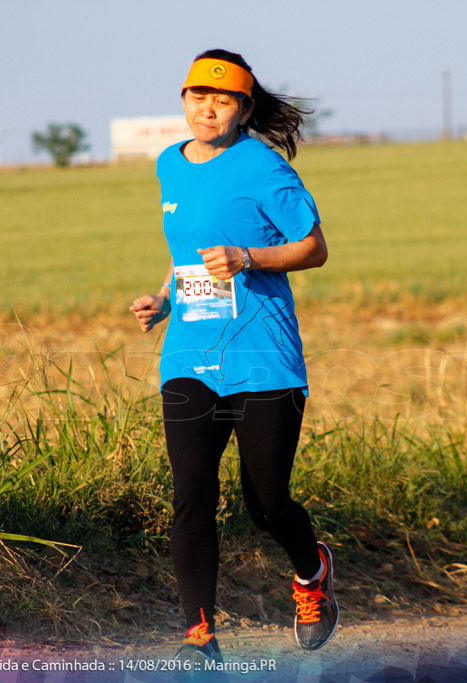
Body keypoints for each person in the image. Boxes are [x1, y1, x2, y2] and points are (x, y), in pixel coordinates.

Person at [130, 49, 337, 664]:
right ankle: (200, 637)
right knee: (191, 493)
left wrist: (249, 258)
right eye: (197, 96)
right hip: (189, 357)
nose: (207, 108)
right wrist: (164, 298)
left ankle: (312, 571)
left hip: (263, 358)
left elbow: (313, 248)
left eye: (222, 100)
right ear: (184, 100)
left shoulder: (263, 167)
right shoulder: (170, 164)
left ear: (244, 108)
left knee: (267, 503)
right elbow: (190, 252)